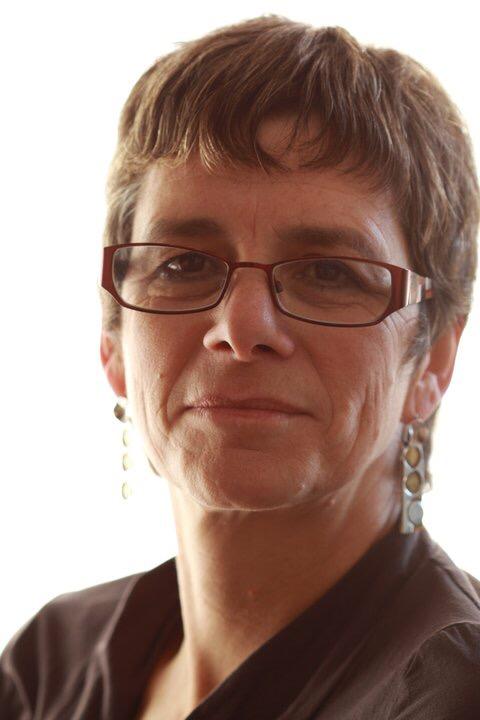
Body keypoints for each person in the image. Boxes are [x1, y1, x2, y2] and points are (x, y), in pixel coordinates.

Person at [1, 14, 480, 720]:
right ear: (114, 342)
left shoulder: (452, 693)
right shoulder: (51, 666)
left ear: (433, 357)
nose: (242, 328)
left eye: (327, 272)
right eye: (184, 264)